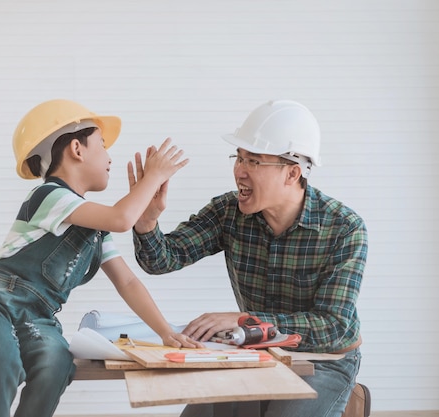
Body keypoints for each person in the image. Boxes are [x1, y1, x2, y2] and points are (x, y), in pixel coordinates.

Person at [0, 99, 203, 417]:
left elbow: (127, 281)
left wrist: (165, 331)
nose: (110, 157)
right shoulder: (49, 196)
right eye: (102, 144)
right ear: (76, 148)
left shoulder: (96, 228)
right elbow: (121, 218)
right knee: (0, 359)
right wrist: (152, 177)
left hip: (38, 316)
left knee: (57, 363)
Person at [129, 99, 367, 417]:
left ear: (292, 173)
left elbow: (334, 326)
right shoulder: (228, 213)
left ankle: (347, 400)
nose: (239, 171)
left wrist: (247, 320)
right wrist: (147, 223)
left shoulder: (344, 228)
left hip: (324, 360)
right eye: (239, 157)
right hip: (254, 352)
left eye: (254, 161)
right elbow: (162, 260)